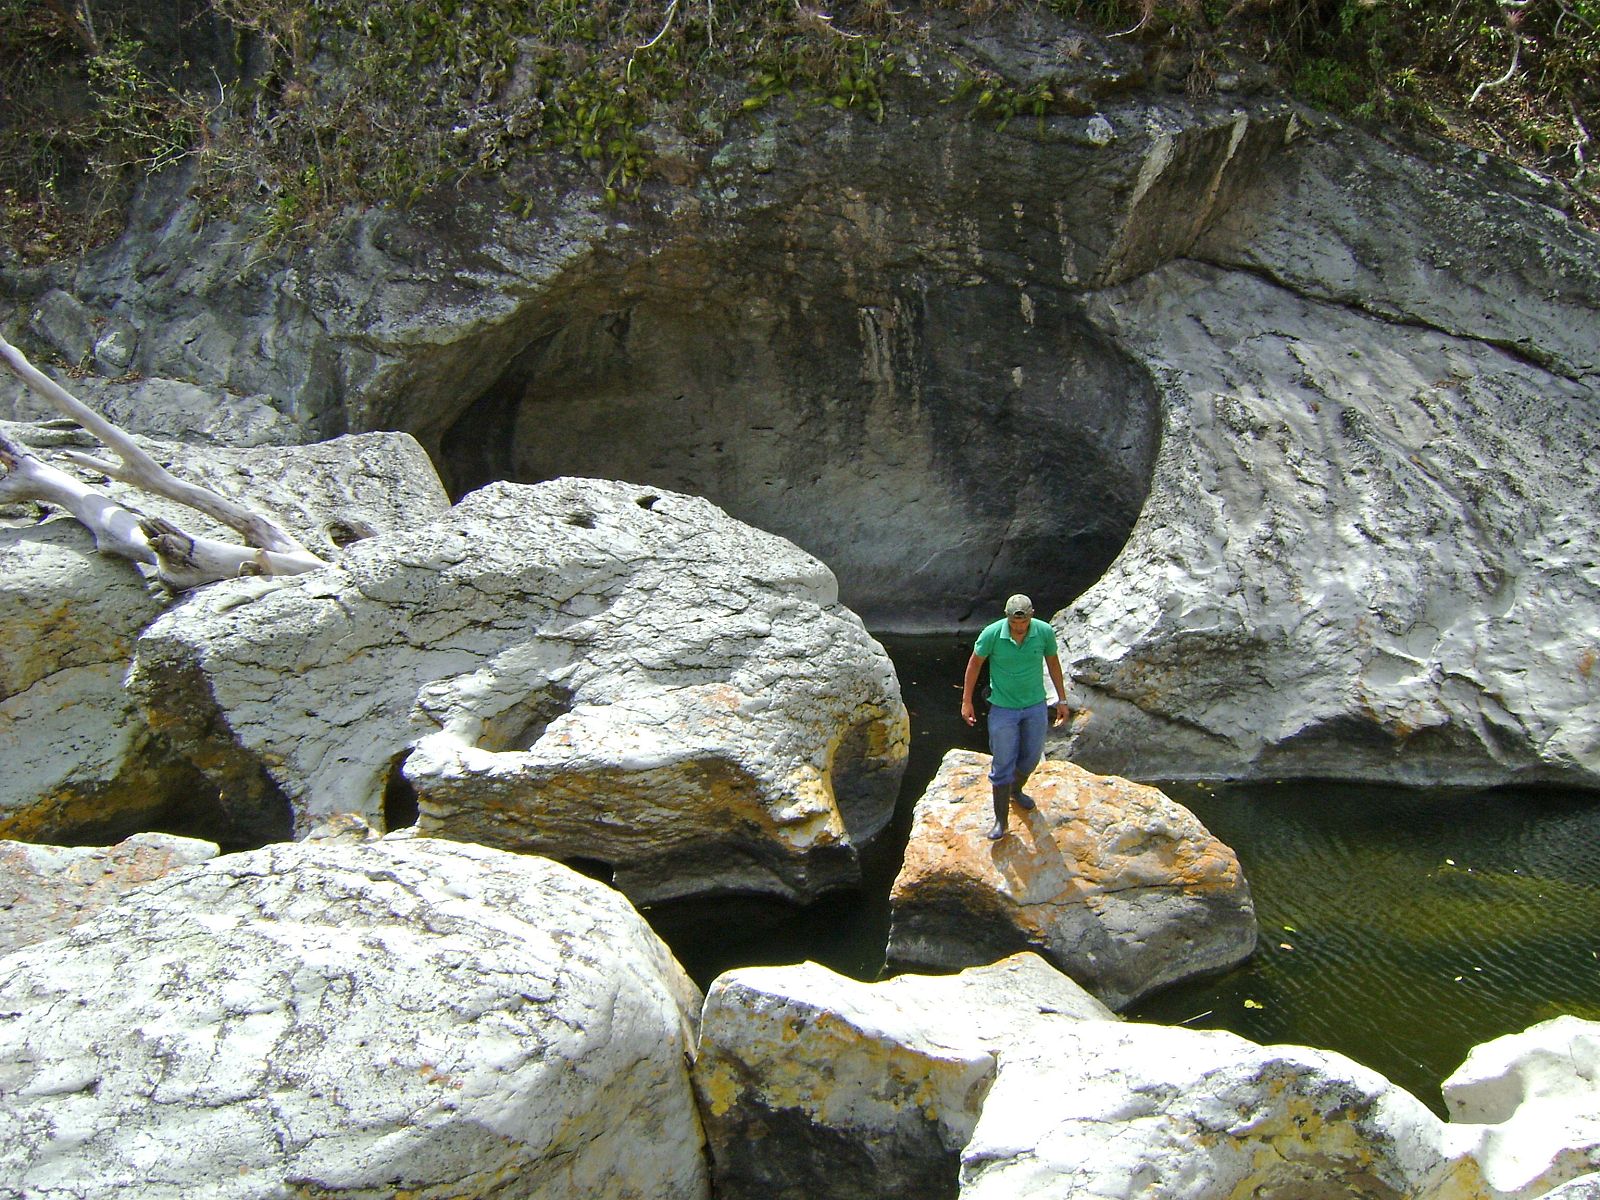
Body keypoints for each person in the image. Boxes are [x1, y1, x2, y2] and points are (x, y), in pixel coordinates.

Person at [961, 594, 1071, 840]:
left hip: (1034, 705)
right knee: (1002, 763)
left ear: (1031, 615)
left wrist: (1062, 700)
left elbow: (1053, 663)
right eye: (1014, 623)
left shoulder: (1043, 632)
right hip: (1003, 708)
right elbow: (974, 664)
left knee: (1031, 758)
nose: (1019, 627)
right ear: (1007, 617)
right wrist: (967, 701)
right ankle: (1001, 822)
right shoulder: (992, 634)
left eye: (1023, 623)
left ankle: (1015, 790)